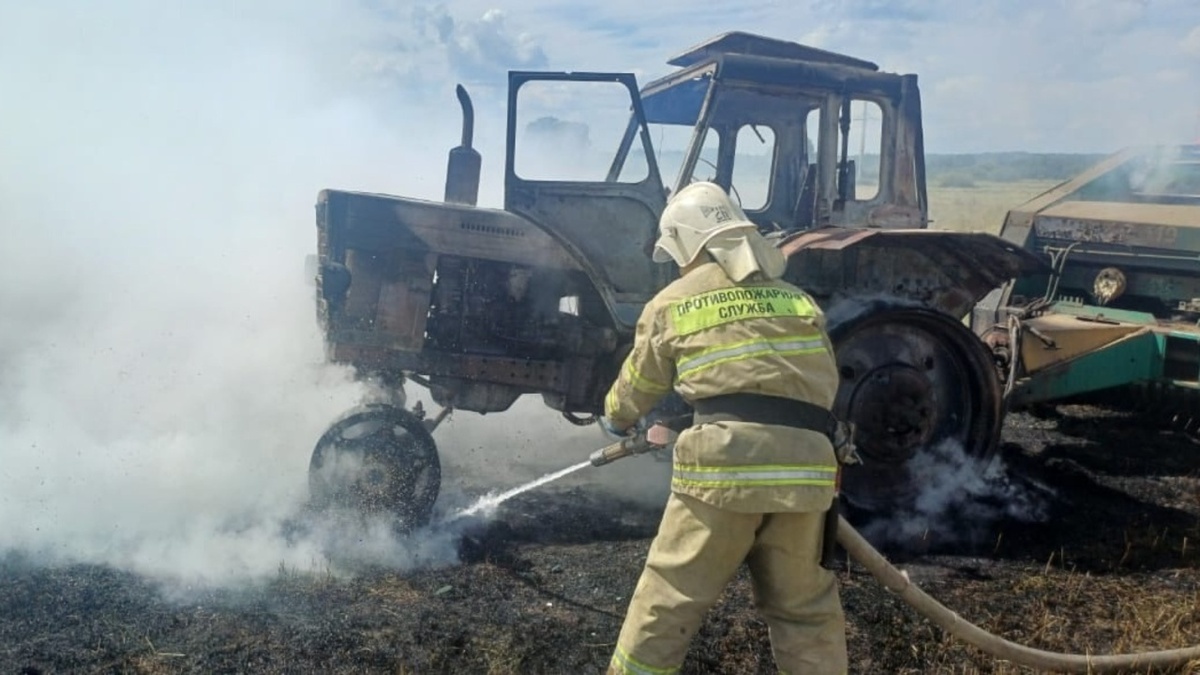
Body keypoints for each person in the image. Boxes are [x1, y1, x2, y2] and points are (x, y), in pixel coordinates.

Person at [598, 181, 848, 675]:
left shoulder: (672, 303)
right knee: (805, 612)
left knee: (668, 600)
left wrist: (614, 419)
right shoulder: (798, 302)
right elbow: (817, 387)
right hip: (806, 476)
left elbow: (637, 387)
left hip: (723, 474)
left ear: (687, 244)